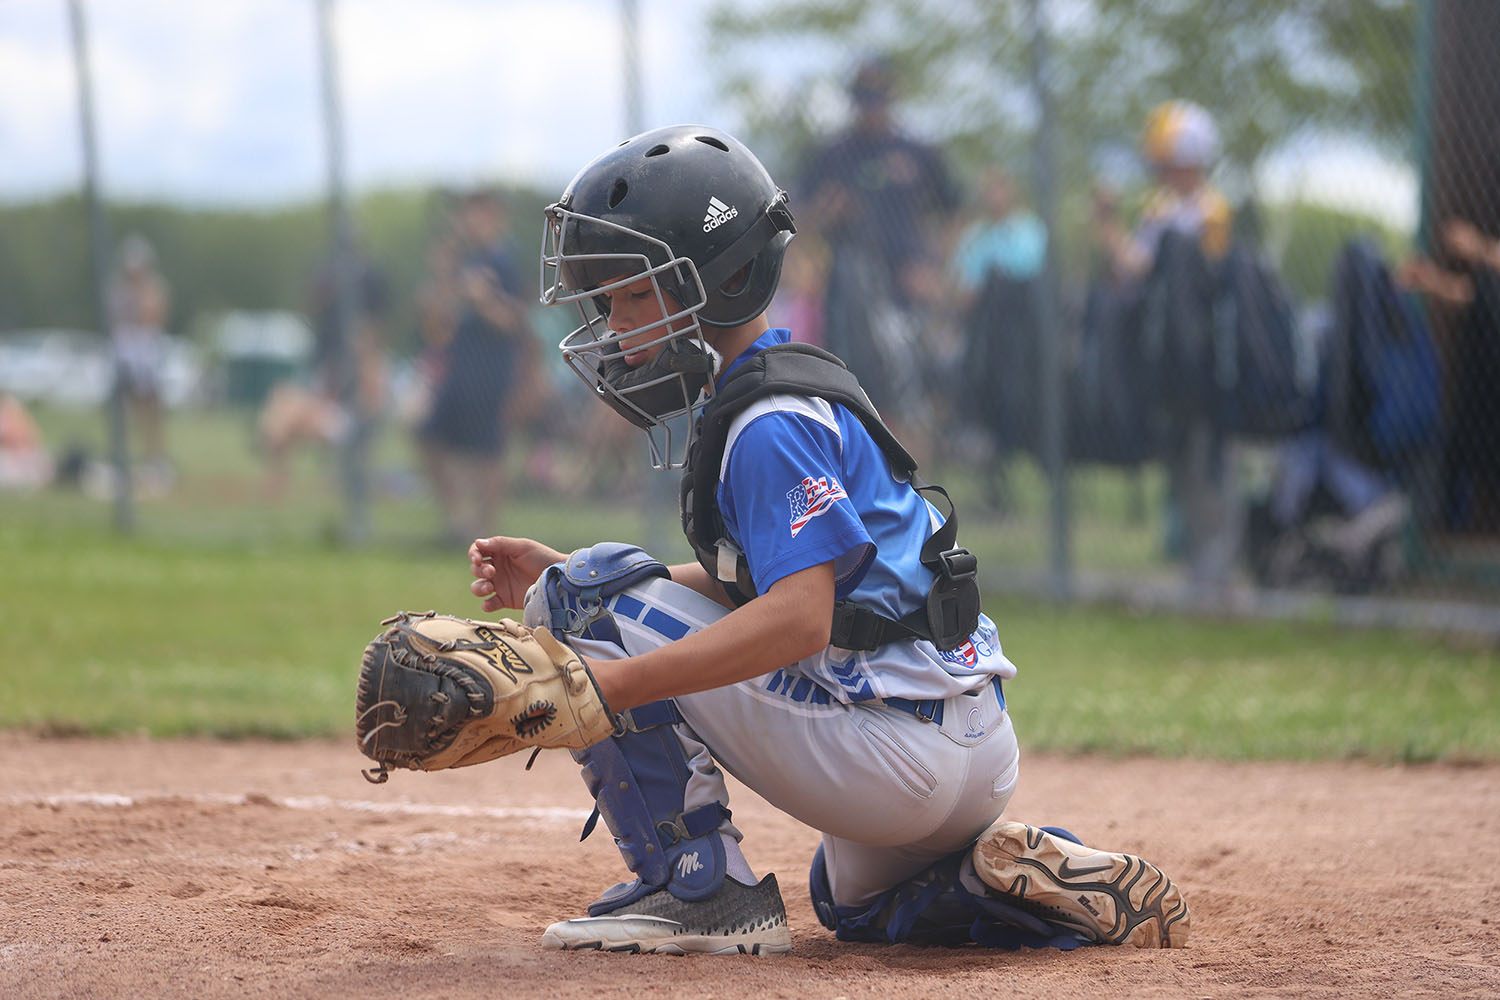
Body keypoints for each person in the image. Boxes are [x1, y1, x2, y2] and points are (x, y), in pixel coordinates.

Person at [466, 124, 1189, 955]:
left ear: (720, 282)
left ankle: (699, 892)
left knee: (585, 597)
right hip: (969, 746)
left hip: (894, 750)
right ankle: (994, 878)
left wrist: (611, 674)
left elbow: (800, 619)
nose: (615, 325)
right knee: (853, 903)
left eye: (636, 296)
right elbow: (777, 585)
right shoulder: (794, 387)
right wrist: (580, 578)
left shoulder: (765, 426)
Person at [1092, 100, 1239, 591]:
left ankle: (1215, 578)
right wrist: (1109, 224)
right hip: (1169, 363)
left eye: (1168, 159)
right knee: (1184, 467)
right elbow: (1132, 269)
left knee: (1210, 466)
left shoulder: (1212, 210)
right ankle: (1201, 574)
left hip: (1206, 360)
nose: (1161, 169)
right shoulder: (1162, 208)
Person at [795, 56, 962, 451]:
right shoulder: (833, 155)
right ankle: (866, 480)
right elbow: (798, 218)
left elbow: (954, 210)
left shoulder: (916, 151)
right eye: (864, 99)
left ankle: (918, 487)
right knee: (853, 386)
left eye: (878, 99)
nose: (871, 109)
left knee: (914, 386)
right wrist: (825, 213)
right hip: (850, 291)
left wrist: (937, 266)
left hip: (907, 285)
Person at [419, 187, 532, 544]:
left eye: (478, 214)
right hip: (459, 368)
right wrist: (443, 278)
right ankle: (458, 522)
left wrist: (483, 300)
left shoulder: (505, 263)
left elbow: (517, 321)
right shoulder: (464, 262)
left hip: (492, 371)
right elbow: (436, 323)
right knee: (430, 439)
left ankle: (485, 533)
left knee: (489, 454)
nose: (470, 223)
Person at [258, 245, 390, 500]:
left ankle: (276, 483)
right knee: (282, 397)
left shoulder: (367, 353)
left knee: (286, 413)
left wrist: (339, 388)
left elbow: (369, 406)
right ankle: (276, 481)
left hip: (348, 421)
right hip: (329, 411)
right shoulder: (329, 343)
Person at [107, 233, 173, 494]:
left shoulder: (154, 289)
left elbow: (151, 317)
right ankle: (123, 456)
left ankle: (154, 458)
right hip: (126, 351)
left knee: (150, 407)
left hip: (145, 352)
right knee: (124, 406)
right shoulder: (118, 291)